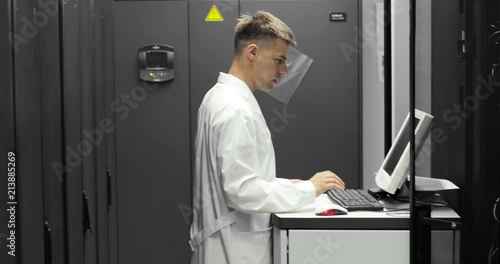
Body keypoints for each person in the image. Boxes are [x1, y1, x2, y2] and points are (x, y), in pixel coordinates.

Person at [189, 11, 345, 264]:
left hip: (227, 240)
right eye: (279, 60)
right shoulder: (236, 109)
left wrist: (287, 186)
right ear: (253, 53)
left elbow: (240, 176)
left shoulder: (219, 96)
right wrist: (310, 188)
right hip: (235, 249)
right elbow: (241, 191)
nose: (283, 71)